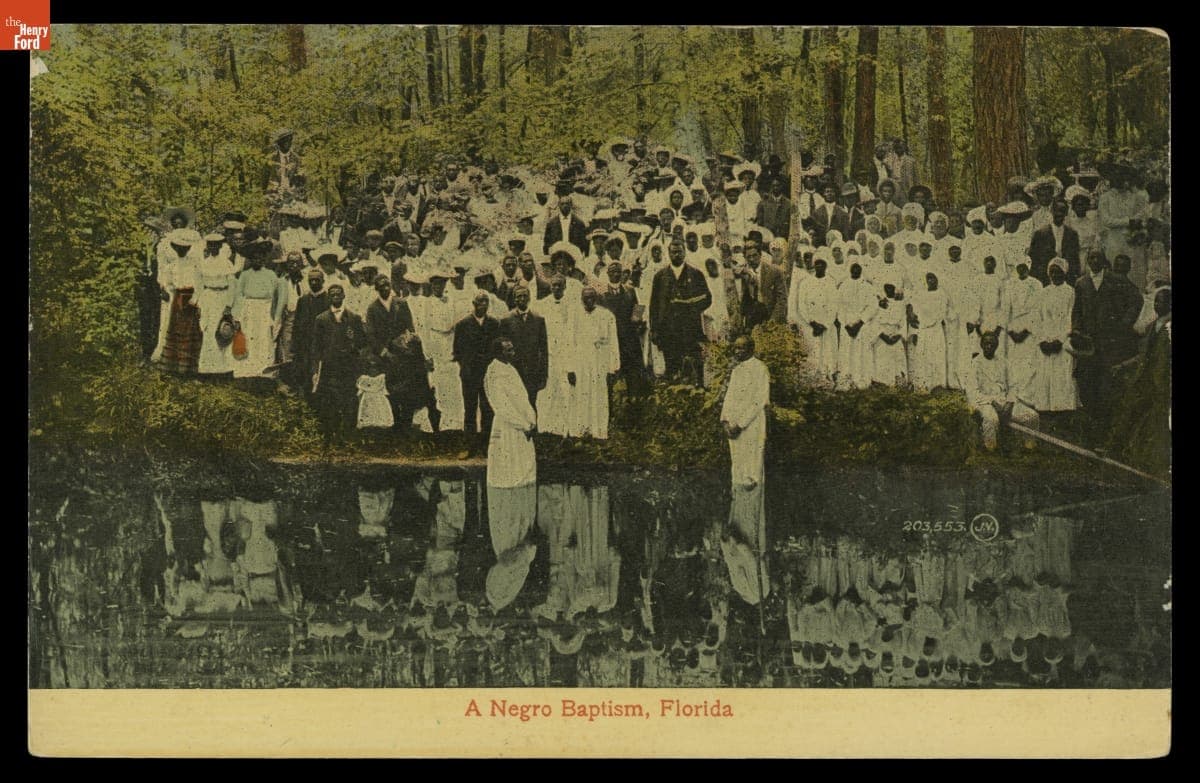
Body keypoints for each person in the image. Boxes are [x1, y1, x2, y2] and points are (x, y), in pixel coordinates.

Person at [650, 237, 712, 386]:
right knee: (672, 369)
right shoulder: (660, 276)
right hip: (668, 331)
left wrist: (689, 305)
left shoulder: (696, 274)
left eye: (679, 252)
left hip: (690, 329)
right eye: (673, 252)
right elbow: (654, 305)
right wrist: (654, 329)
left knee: (694, 369)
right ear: (668, 254)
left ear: (685, 253)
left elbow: (707, 298)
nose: (676, 255)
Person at [967, 332, 1040, 451]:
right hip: (984, 402)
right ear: (981, 345)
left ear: (997, 345)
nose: (989, 346)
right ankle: (990, 449)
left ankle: (1030, 447)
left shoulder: (1004, 363)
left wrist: (1010, 403)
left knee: (1032, 416)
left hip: (1004, 401)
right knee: (991, 419)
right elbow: (973, 392)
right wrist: (993, 403)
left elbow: (1013, 386)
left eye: (992, 344)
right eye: (986, 343)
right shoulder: (974, 364)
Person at [567, 286, 622, 439]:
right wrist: (570, 368)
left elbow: (613, 343)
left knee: (599, 396)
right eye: (586, 297)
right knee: (580, 395)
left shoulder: (607, 316)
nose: (589, 300)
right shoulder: (574, 315)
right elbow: (569, 343)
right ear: (581, 299)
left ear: (596, 298)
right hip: (580, 363)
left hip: (600, 363)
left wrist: (613, 368)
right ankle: (580, 431)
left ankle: (598, 432)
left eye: (592, 297)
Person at [310, 284, 365, 437]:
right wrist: (315, 369)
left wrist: (353, 339)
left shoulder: (354, 318)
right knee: (330, 399)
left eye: (338, 294)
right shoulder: (321, 319)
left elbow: (362, 343)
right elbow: (316, 346)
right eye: (332, 294)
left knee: (349, 398)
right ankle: (330, 434)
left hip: (348, 366)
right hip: (329, 366)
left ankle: (348, 434)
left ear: (343, 296)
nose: (335, 297)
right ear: (329, 297)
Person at [481, 338, 537, 488]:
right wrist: (524, 425)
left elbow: (522, 397)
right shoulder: (494, 373)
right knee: (508, 474)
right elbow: (502, 407)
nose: (513, 352)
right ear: (499, 353)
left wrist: (531, 418)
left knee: (525, 473)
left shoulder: (510, 368)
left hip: (523, 425)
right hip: (508, 427)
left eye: (512, 349)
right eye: (509, 350)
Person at [232, 235, 286, 379]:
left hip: (264, 309)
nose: (258, 260)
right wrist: (236, 316)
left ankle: (263, 372)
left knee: (263, 338)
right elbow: (239, 296)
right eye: (254, 258)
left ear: (264, 259)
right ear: (250, 259)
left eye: (261, 258)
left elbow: (276, 297)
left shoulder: (271, 275)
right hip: (248, 308)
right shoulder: (244, 275)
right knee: (248, 337)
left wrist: (275, 316)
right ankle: (246, 372)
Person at [721, 336, 771, 490]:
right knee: (738, 469)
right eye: (735, 348)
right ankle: (738, 512)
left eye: (741, 348)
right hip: (733, 426)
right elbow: (729, 397)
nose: (737, 351)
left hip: (751, 425)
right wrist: (725, 421)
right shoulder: (737, 370)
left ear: (751, 349)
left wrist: (740, 424)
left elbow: (760, 400)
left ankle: (751, 510)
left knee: (752, 472)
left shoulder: (760, 368)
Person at [452, 292, 501, 450]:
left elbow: (497, 349)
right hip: (470, 374)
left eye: (486, 302)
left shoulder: (494, 324)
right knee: (470, 409)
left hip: (487, 374)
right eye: (480, 302)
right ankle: (469, 446)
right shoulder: (462, 324)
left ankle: (487, 446)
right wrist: (466, 367)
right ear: (474, 304)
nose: (484, 305)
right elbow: (457, 351)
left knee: (487, 408)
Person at [1033, 260, 1079, 413]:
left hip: (1062, 341)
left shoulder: (1070, 292)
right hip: (1045, 340)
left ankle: (1063, 410)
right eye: (1052, 271)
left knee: (1062, 376)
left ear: (1064, 272)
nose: (1055, 275)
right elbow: (1038, 318)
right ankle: (1046, 409)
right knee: (1046, 375)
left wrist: (1060, 339)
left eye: (1058, 271)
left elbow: (1069, 318)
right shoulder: (1043, 292)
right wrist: (1042, 341)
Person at [599, 260, 649, 397]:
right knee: (611, 376)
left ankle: (634, 405)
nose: (616, 275)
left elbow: (637, 309)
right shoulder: (602, 295)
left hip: (629, 340)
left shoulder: (630, 291)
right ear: (608, 274)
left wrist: (637, 320)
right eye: (613, 272)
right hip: (612, 341)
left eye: (618, 272)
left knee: (633, 375)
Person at [158, 228, 204, 375]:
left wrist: (195, 301)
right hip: (177, 299)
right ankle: (174, 366)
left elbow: (199, 285)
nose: (181, 251)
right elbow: (168, 284)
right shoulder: (171, 266)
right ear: (174, 248)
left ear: (189, 248)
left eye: (184, 248)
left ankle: (189, 368)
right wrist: (168, 291)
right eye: (178, 248)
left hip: (190, 299)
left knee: (191, 331)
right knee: (176, 330)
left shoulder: (194, 265)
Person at [538, 275, 578, 436]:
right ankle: (546, 429)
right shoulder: (542, 305)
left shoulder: (573, 305)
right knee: (547, 391)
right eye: (553, 285)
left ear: (565, 287)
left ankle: (566, 430)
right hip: (549, 353)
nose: (556, 288)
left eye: (559, 285)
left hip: (566, 354)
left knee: (566, 390)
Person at [498, 285, 549, 409]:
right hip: (515, 368)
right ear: (514, 299)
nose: (522, 299)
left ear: (529, 298)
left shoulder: (538, 320)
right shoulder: (506, 320)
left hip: (533, 369)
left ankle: (532, 427)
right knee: (516, 401)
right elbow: (502, 348)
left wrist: (543, 372)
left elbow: (543, 349)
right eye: (518, 296)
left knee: (532, 401)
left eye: (525, 296)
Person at [196, 232, 237, 376]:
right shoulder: (204, 263)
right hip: (208, 298)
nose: (213, 247)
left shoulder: (226, 263)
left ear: (220, 246)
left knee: (222, 330)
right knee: (208, 330)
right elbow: (200, 285)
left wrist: (228, 305)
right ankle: (208, 369)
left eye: (216, 245)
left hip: (222, 297)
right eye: (210, 245)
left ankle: (224, 369)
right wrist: (199, 304)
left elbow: (232, 285)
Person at [1003, 261, 1043, 406]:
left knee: (1029, 364)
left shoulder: (1036, 284)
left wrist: (1026, 330)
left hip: (1030, 329)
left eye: (1024, 267)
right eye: (1019, 267)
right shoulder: (1009, 284)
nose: (1022, 270)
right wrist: (1010, 331)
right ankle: (1015, 398)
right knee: (1014, 364)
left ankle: (1028, 399)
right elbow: (1006, 309)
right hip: (1013, 328)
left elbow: (1038, 310)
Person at [793, 256, 839, 380]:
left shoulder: (831, 282)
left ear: (826, 266)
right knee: (813, 351)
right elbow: (802, 305)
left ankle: (828, 376)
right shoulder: (805, 282)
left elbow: (834, 305)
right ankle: (812, 378)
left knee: (827, 352)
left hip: (826, 325)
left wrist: (825, 324)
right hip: (810, 324)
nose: (819, 266)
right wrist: (812, 322)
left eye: (822, 264)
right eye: (817, 264)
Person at [836, 262, 878, 389]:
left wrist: (860, 323)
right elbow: (839, 306)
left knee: (861, 352)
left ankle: (861, 381)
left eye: (858, 268)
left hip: (862, 324)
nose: (855, 271)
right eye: (853, 268)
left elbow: (872, 306)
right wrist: (846, 324)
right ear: (849, 270)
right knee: (846, 351)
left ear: (861, 270)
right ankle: (846, 381)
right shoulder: (843, 286)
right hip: (847, 324)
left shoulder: (868, 287)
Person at [908, 272, 949, 390]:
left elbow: (941, 313)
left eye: (933, 278)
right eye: (928, 278)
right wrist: (912, 315)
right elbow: (912, 304)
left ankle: (937, 385)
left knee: (936, 357)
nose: (931, 281)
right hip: (923, 330)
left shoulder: (942, 294)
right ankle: (923, 386)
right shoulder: (921, 294)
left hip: (935, 330)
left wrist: (928, 321)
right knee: (923, 357)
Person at [734, 239, 788, 329]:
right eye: (748, 257)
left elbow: (782, 299)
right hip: (751, 319)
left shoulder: (774, 271)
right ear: (745, 257)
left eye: (755, 255)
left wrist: (774, 320)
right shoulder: (744, 272)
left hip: (770, 316)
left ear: (760, 254)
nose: (752, 259)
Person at [292, 268, 329, 398]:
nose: (314, 283)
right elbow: (296, 324)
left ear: (323, 281)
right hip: (305, 342)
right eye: (311, 280)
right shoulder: (303, 300)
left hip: (321, 342)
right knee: (304, 370)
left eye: (317, 280)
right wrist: (295, 344)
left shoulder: (328, 299)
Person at [1028, 198, 1081, 284]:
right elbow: (1034, 259)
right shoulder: (1040, 234)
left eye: (1062, 211)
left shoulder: (1072, 234)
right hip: (1045, 278)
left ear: (1066, 213)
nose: (1059, 213)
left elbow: (1075, 260)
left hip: (1066, 279)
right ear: (1052, 211)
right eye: (1056, 210)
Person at [872, 283, 908, 386]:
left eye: (891, 288)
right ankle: (882, 382)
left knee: (897, 357)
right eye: (886, 288)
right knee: (882, 358)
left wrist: (897, 336)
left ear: (894, 289)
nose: (888, 290)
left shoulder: (900, 305)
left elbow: (903, 323)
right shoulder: (879, 305)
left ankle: (899, 380)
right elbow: (875, 322)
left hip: (895, 336)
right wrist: (883, 336)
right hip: (882, 337)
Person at [356, 355, 394, 430]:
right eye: (371, 368)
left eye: (375, 368)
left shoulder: (381, 378)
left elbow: (385, 392)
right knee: (368, 417)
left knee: (380, 417)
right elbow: (359, 393)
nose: (373, 370)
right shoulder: (363, 379)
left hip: (379, 400)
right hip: (367, 401)